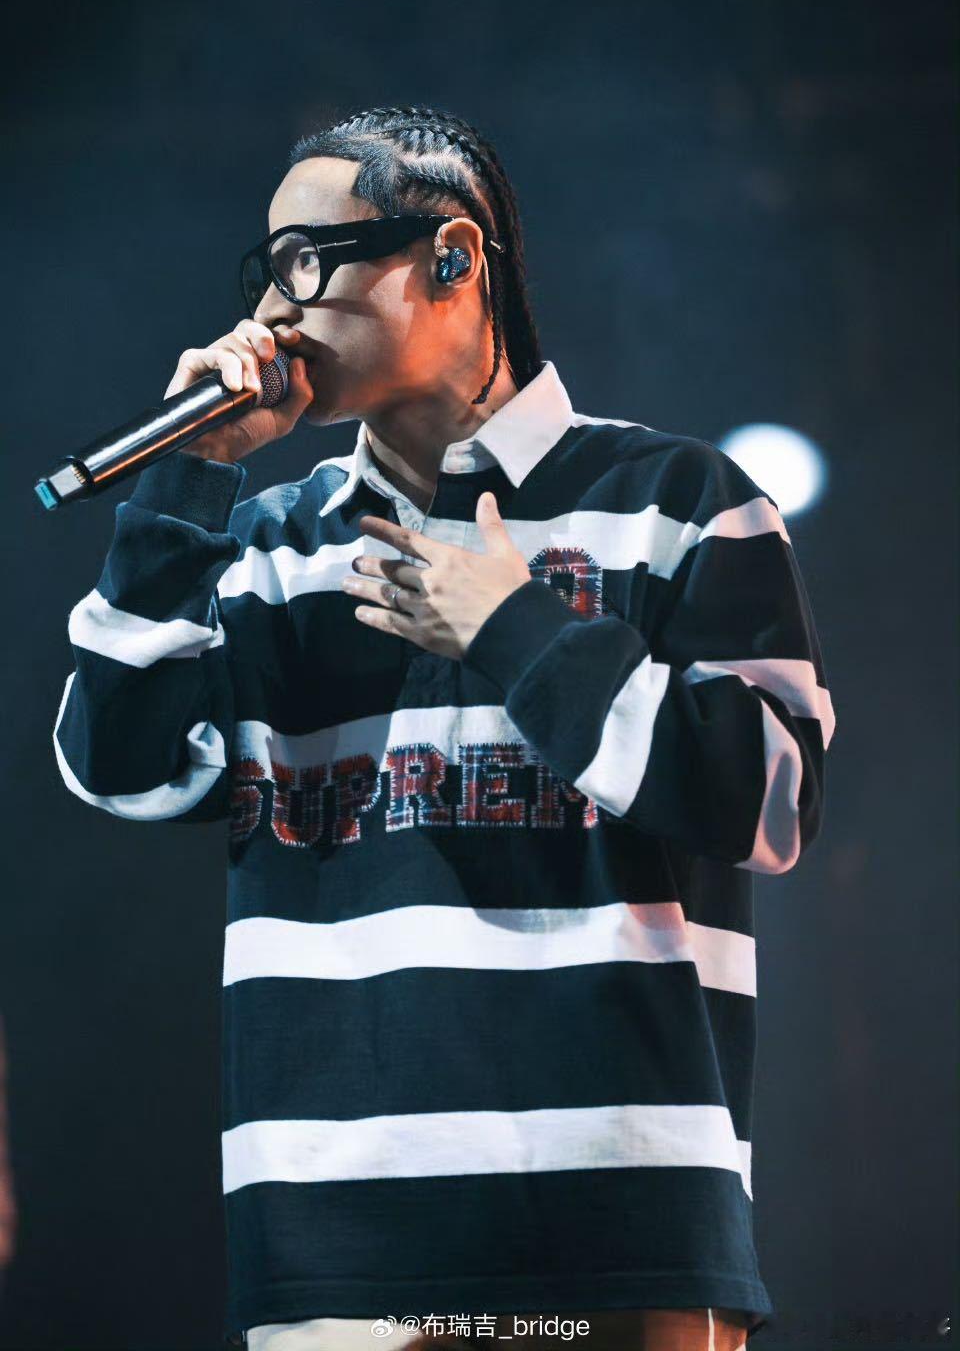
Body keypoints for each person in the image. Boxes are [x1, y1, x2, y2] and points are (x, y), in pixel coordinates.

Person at [52, 105, 835, 1350]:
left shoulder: (681, 500)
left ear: (454, 256)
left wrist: (518, 629)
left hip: (618, 1211)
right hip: (331, 1224)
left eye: (309, 261)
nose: (277, 311)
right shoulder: (268, 545)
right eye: (266, 274)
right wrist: (183, 483)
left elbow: (768, 803)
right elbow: (122, 772)